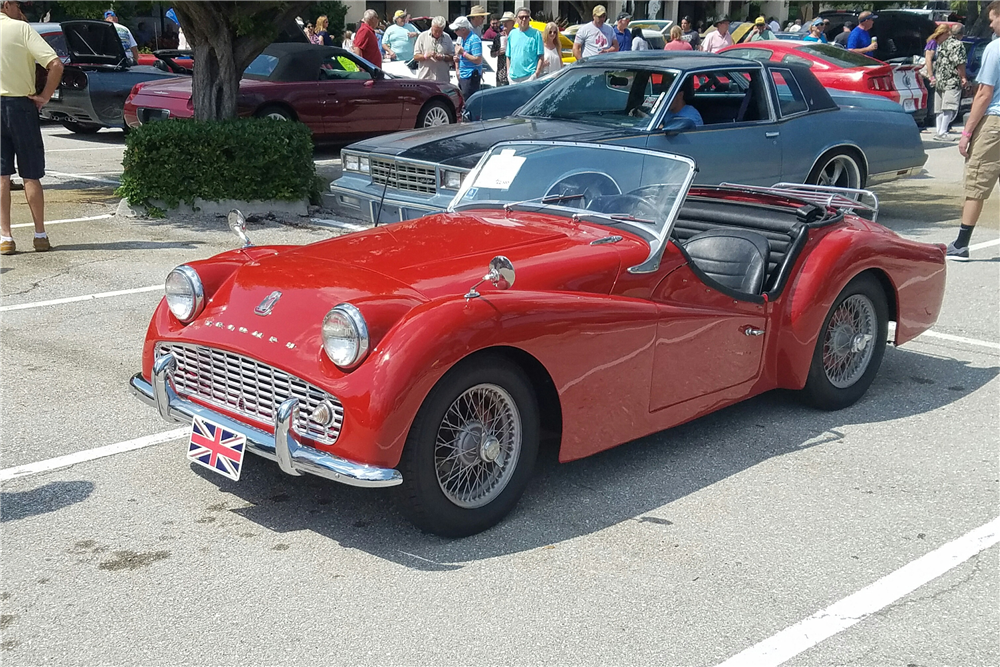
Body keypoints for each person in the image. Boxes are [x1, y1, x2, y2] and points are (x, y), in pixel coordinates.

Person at [1, 0, 64, 255]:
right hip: (21, 105)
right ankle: (40, 234)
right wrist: (45, 95)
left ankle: (5, 236)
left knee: (1, 174)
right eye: (18, 4)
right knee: (31, 173)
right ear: (7, 5)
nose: (21, 10)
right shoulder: (22, 29)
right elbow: (56, 64)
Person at [948, 0, 1000, 259]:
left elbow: (984, 93)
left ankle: (961, 243)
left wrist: (967, 132)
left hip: (995, 123)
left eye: (993, 19)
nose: (991, 24)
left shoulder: (995, 48)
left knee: (977, 181)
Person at [931, 25, 967, 140]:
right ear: (961, 35)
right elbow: (959, 63)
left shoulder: (943, 43)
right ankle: (943, 132)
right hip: (952, 79)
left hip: (940, 79)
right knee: (949, 107)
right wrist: (963, 78)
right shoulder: (958, 45)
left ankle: (938, 131)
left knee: (939, 108)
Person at [507, 7, 543, 84]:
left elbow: (541, 56)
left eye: (526, 17)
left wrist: (536, 73)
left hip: (529, 77)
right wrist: (508, 72)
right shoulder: (512, 34)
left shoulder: (536, 34)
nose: (524, 19)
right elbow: (508, 55)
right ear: (516, 19)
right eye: (521, 17)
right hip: (513, 78)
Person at [413, 16, 454, 82]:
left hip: (442, 79)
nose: (437, 33)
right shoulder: (422, 37)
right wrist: (425, 56)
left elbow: (452, 57)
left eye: (440, 31)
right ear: (432, 27)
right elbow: (415, 57)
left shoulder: (447, 37)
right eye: (435, 30)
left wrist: (443, 57)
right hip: (426, 79)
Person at [451, 16, 483, 99]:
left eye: (456, 29)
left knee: (469, 101)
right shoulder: (462, 40)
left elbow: (478, 60)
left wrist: (463, 53)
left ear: (463, 30)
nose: (454, 32)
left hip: (471, 76)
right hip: (463, 75)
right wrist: (457, 62)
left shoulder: (474, 40)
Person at [491, 12, 515, 86]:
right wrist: (498, 52)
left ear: (513, 23)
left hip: (515, 74)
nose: (504, 23)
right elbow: (492, 53)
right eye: (503, 22)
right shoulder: (498, 36)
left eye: (507, 21)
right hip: (502, 74)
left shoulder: (517, 35)